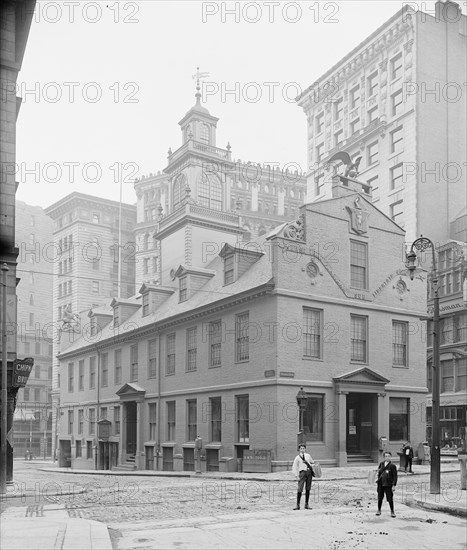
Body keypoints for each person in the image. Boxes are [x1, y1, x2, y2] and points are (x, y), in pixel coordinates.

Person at [292, 444, 315, 510]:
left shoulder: (308, 456)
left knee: (308, 488)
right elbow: (295, 467)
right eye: (301, 448)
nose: (302, 450)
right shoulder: (297, 458)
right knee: (300, 488)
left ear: (305, 449)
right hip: (302, 473)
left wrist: (313, 465)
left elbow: (312, 462)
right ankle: (298, 505)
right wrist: (296, 476)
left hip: (309, 473)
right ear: (299, 449)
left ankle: (306, 504)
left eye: (303, 448)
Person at [376, 451, 397, 518]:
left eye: (388, 456)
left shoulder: (392, 466)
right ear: (384, 457)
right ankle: (379, 510)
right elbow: (379, 472)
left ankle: (392, 511)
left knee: (390, 498)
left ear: (390, 457)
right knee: (380, 497)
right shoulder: (381, 464)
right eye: (386, 456)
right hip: (381, 483)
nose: (387, 457)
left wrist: (393, 485)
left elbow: (395, 476)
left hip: (388, 484)